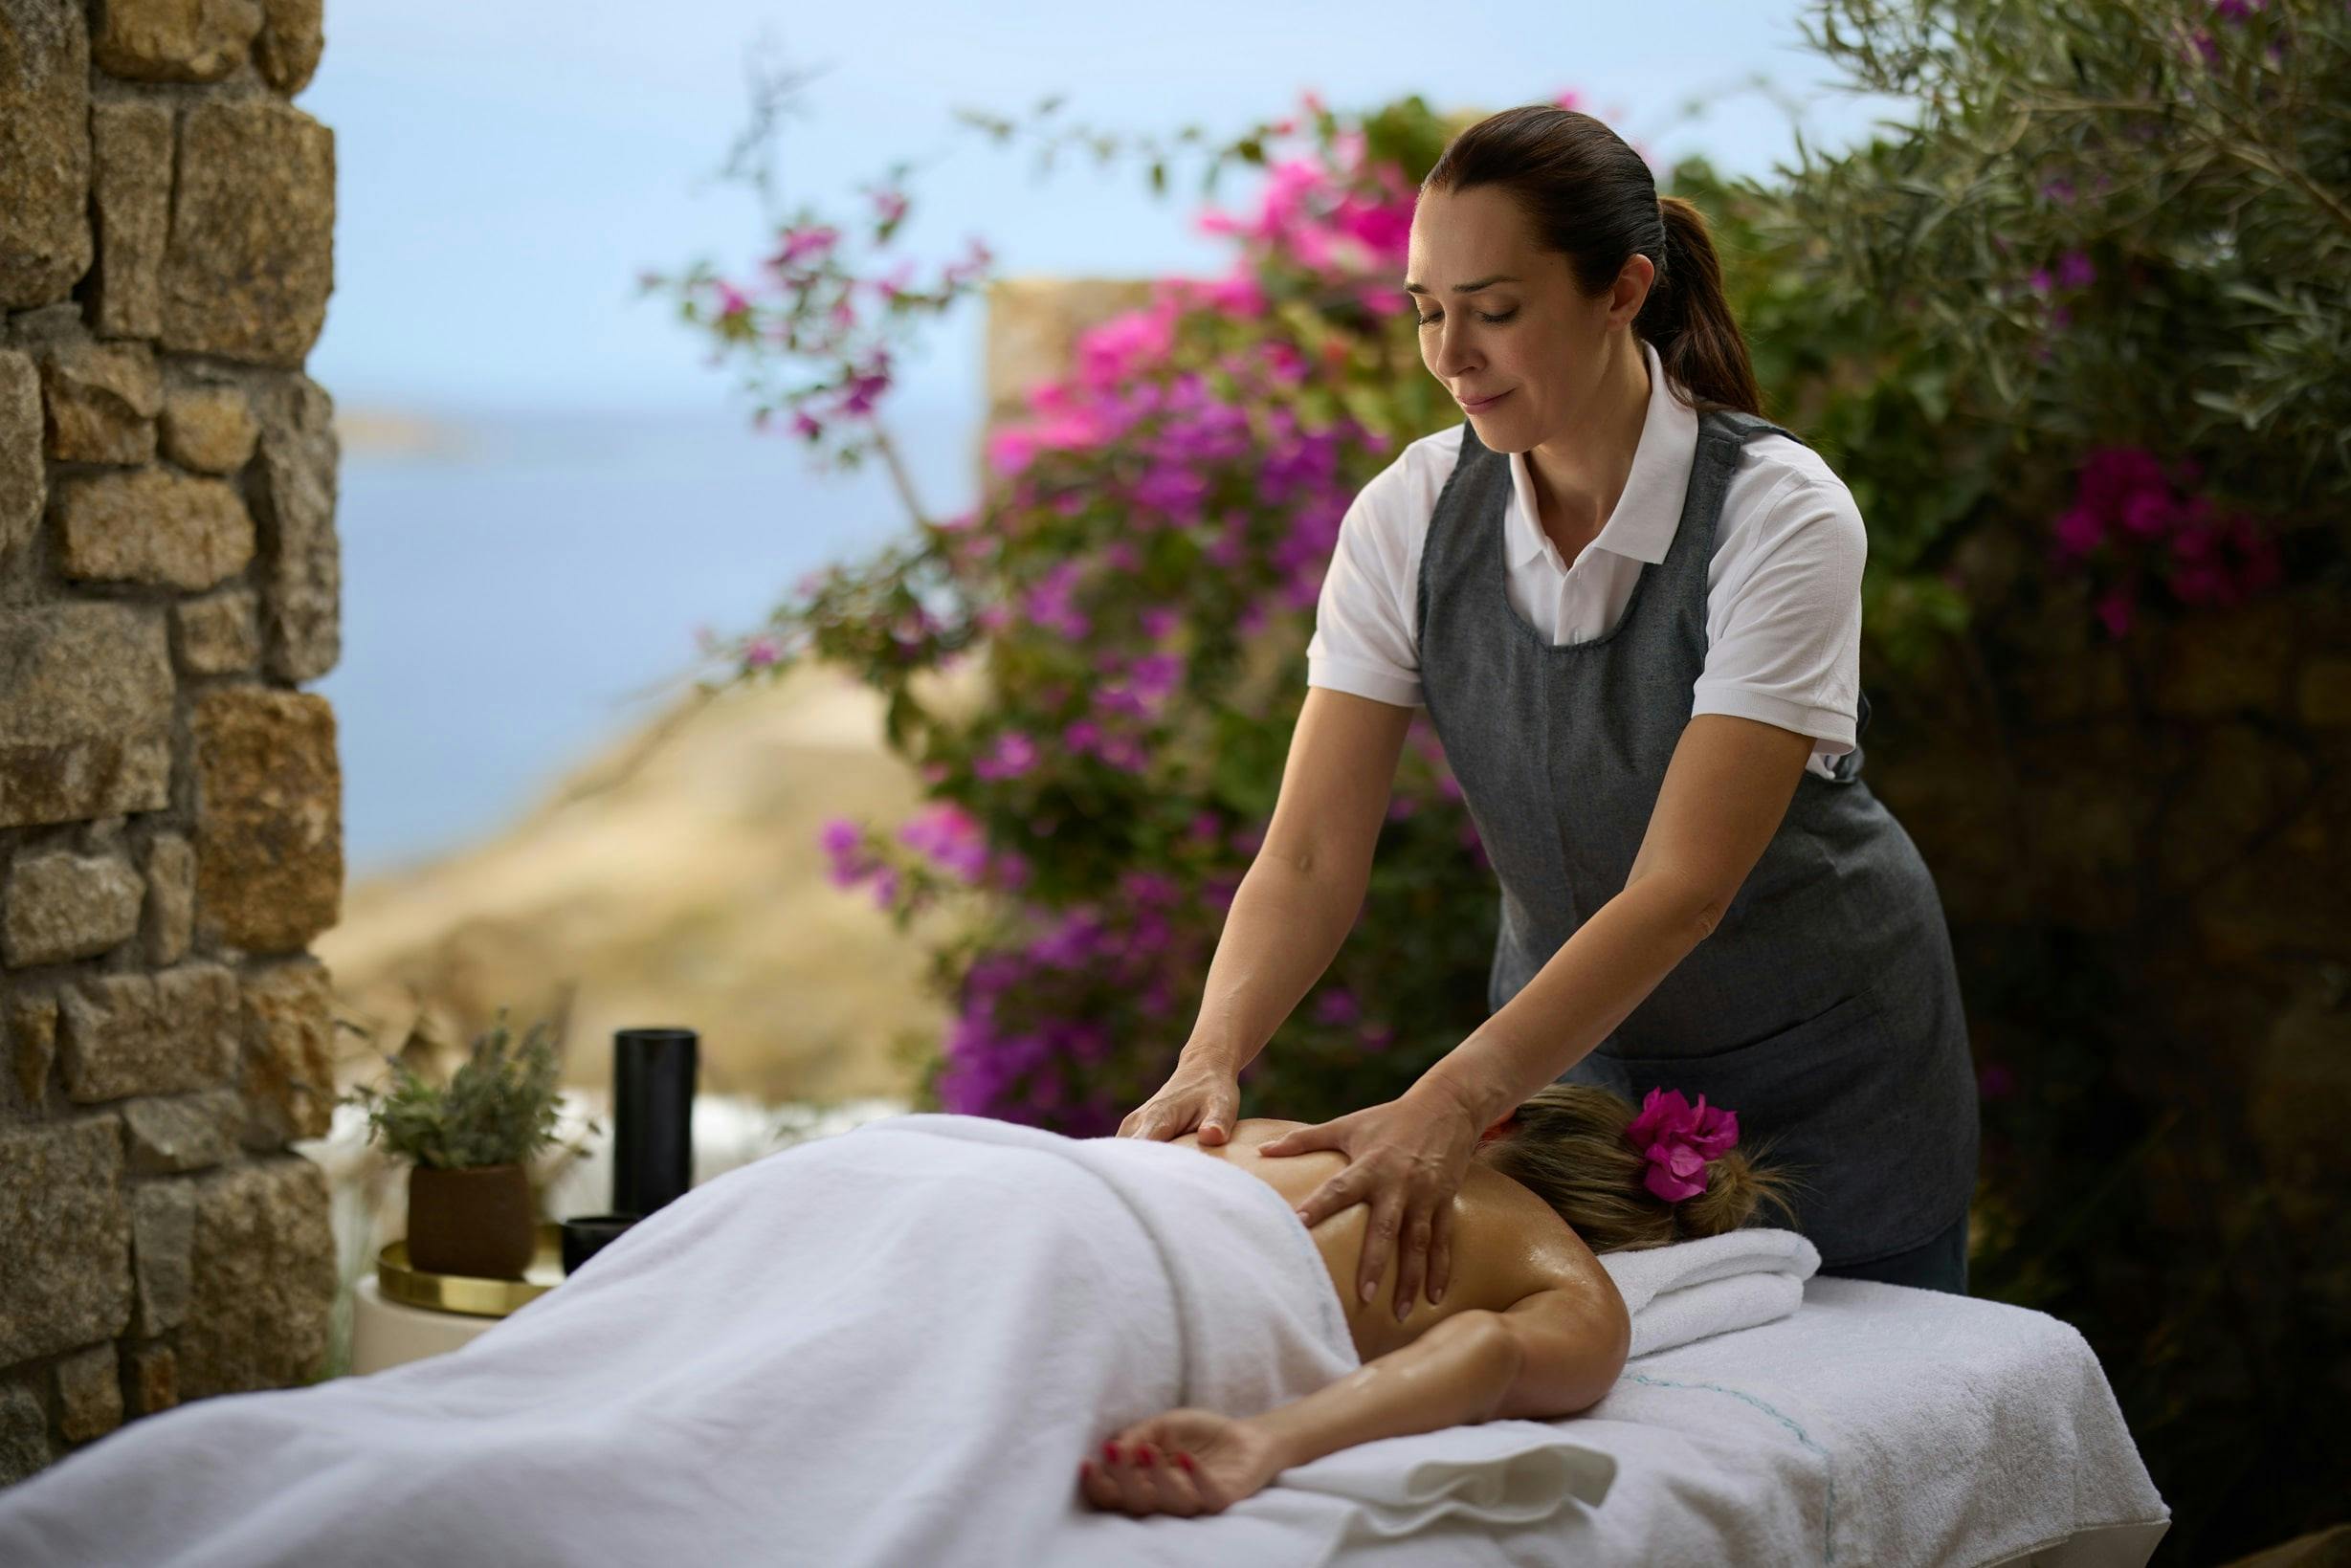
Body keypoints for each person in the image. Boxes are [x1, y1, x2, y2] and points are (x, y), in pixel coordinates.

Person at [1120, 102, 1980, 1315]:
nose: (1449, 354)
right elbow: (1311, 853)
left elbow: (1684, 889)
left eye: (1495, 309)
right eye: (1426, 308)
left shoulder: (1778, 514)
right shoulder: (1410, 519)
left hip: (1833, 1084)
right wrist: (1210, 1059)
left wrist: (1452, 1099)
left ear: (1623, 290)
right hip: (1571, 1084)